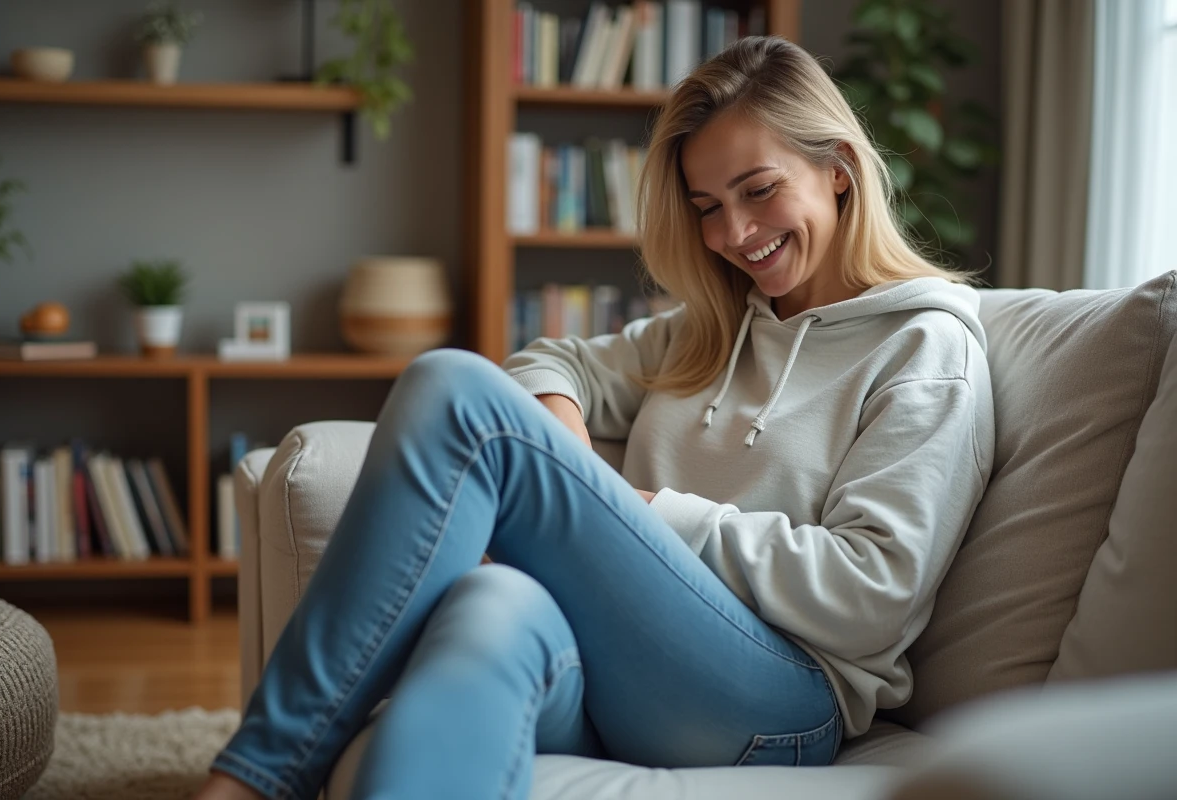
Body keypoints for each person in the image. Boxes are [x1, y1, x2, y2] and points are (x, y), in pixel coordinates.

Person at [195, 35, 994, 800]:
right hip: (631, 671)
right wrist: (570, 459)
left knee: (449, 384)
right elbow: (553, 362)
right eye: (707, 206)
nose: (734, 234)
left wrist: (641, 514)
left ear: (840, 171)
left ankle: (255, 777)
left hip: (780, 700)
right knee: (490, 609)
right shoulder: (720, 325)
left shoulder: (925, 346)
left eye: (759, 190)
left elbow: (874, 590)